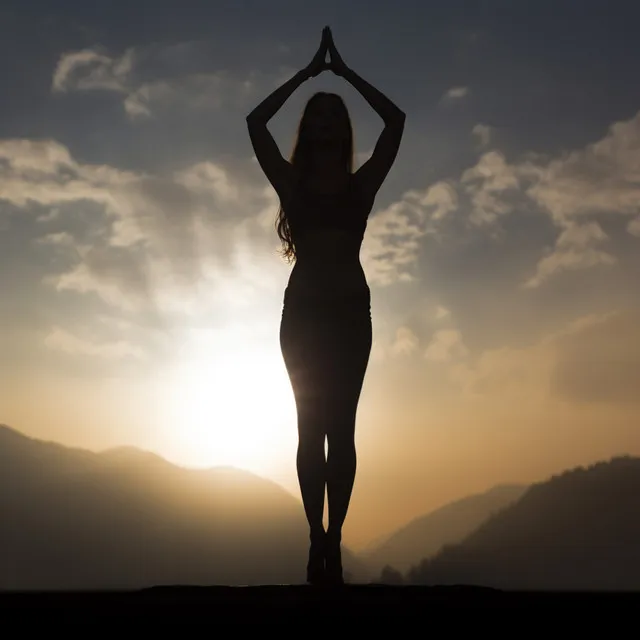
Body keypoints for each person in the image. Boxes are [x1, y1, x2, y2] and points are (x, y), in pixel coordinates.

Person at [246, 26, 405, 585]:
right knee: (308, 430)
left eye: (336, 117)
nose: (327, 123)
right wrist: (309, 74)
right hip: (305, 320)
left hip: (349, 319)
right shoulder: (291, 184)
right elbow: (255, 124)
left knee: (344, 429)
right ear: (308, 129)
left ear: (343, 131)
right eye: (318, 116)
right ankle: (316, 537)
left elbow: (396, 123)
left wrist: (346, 73)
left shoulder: (361, 187)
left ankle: (334, 541)